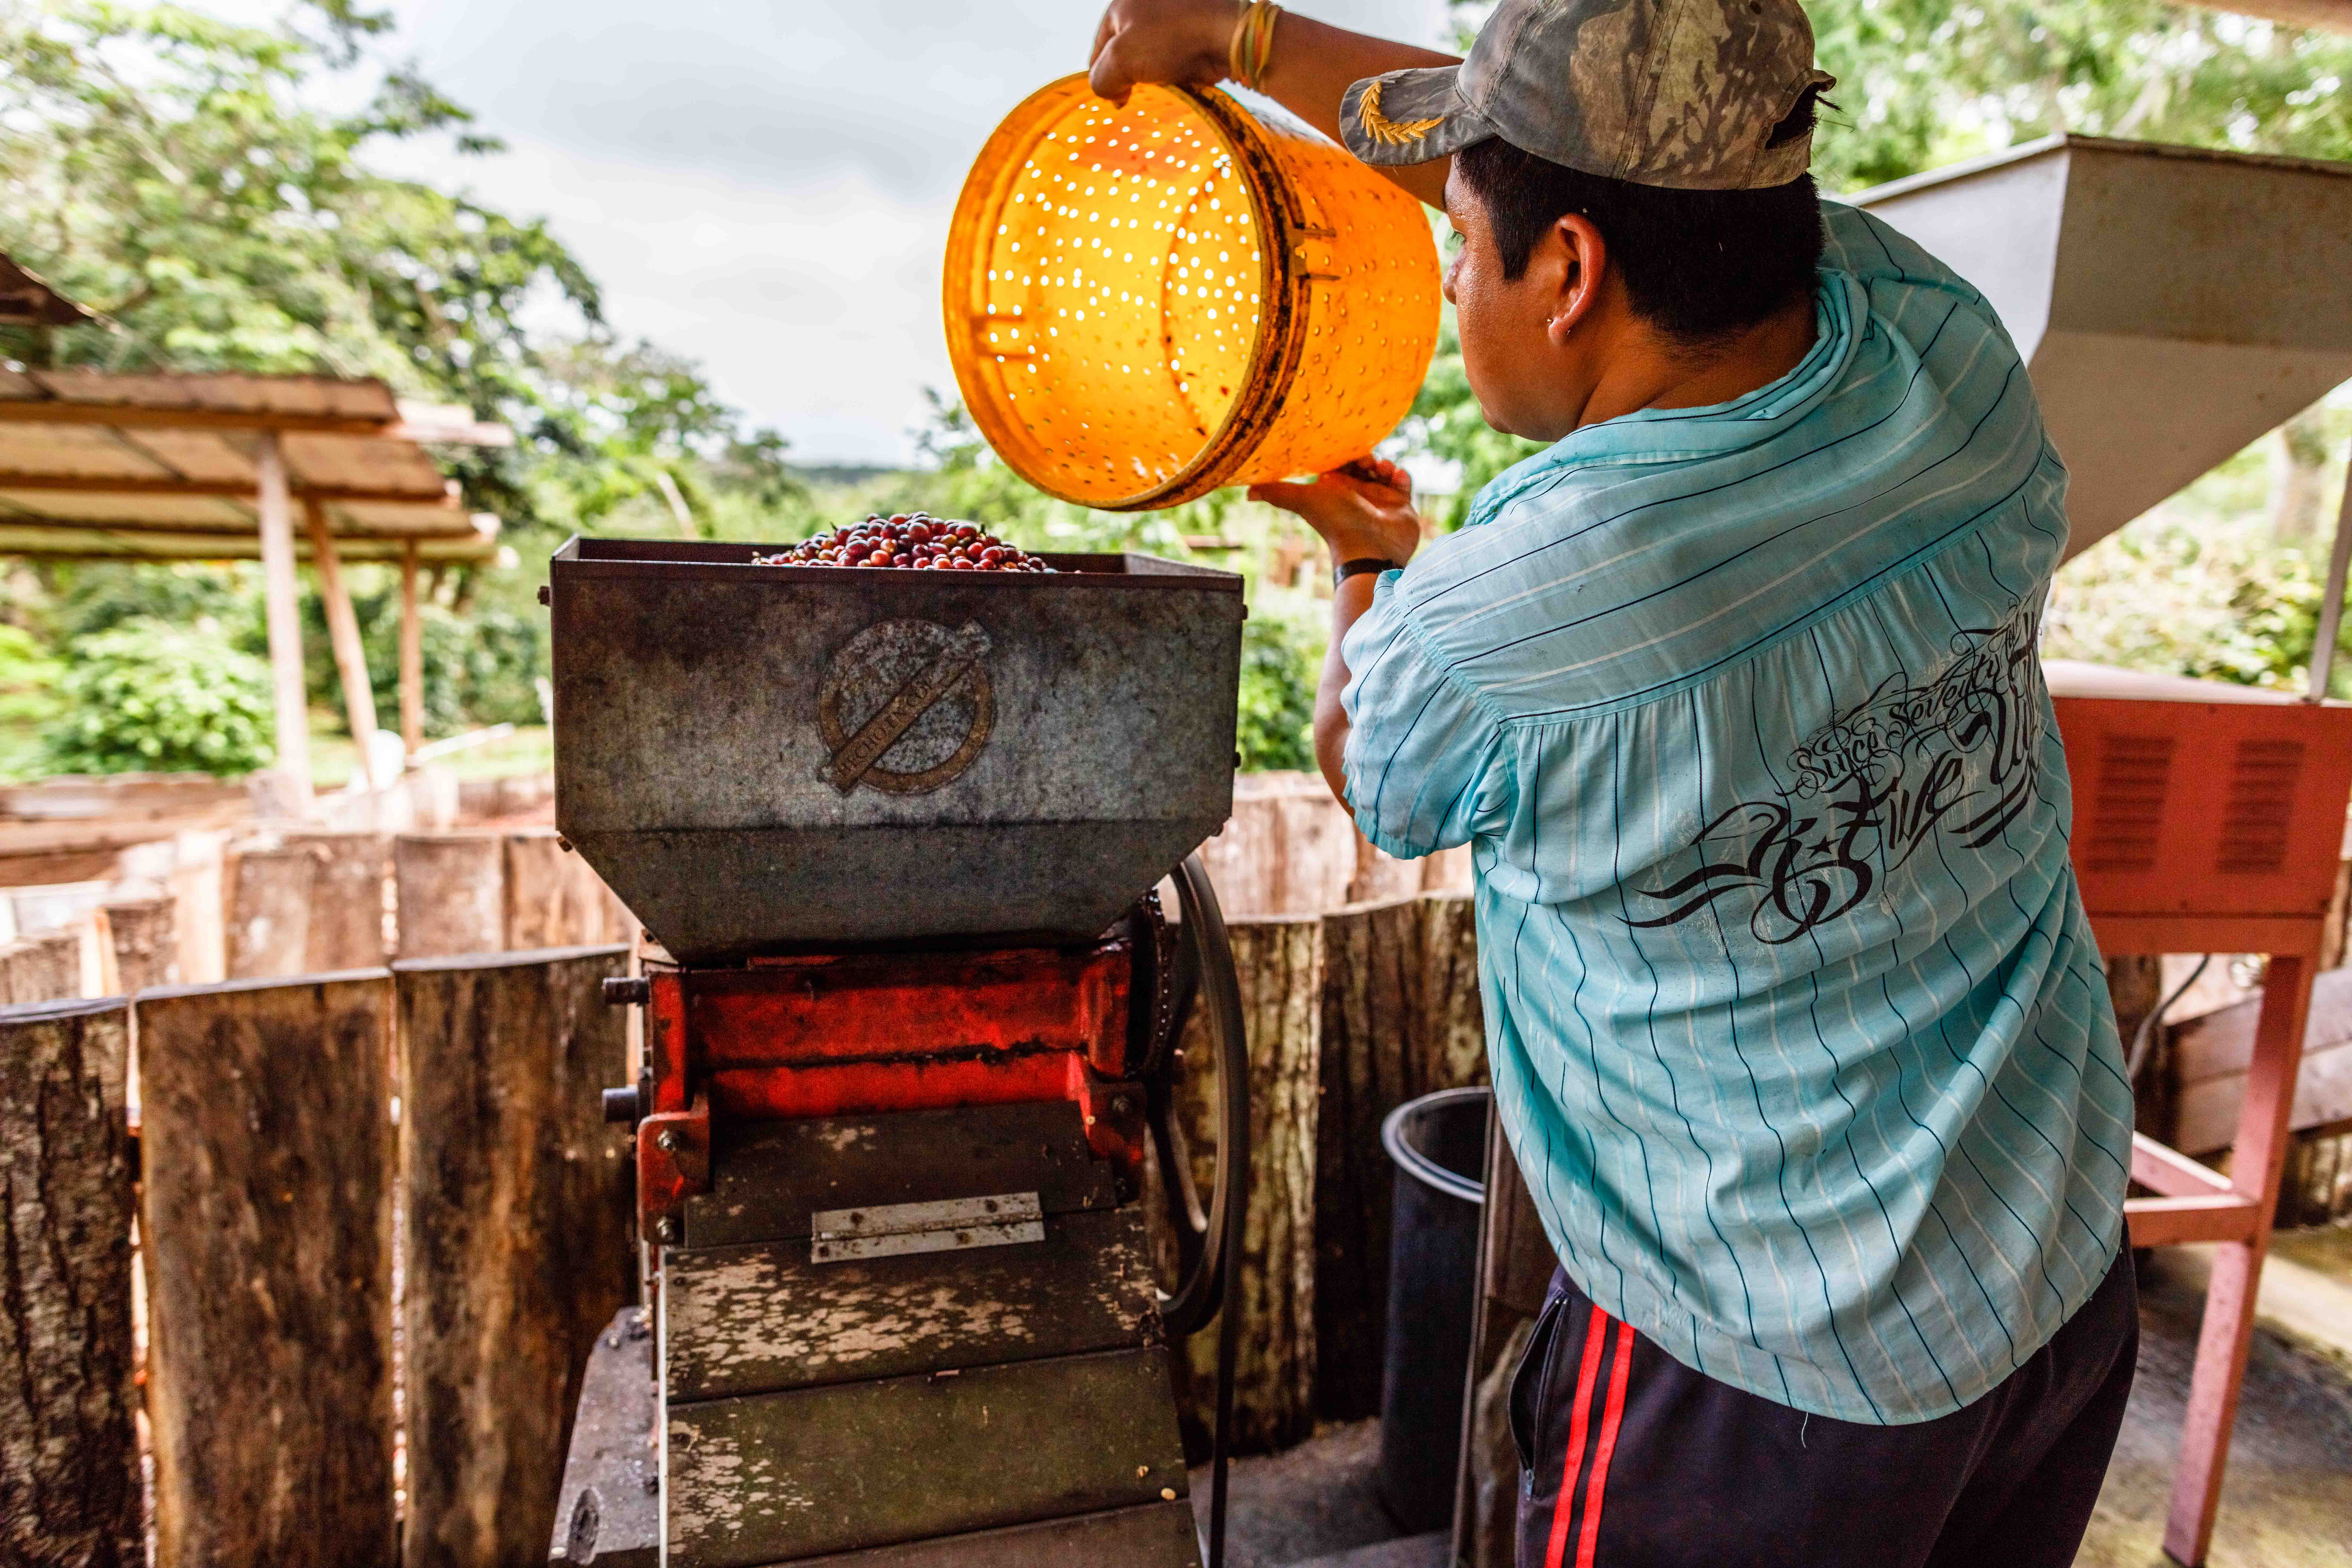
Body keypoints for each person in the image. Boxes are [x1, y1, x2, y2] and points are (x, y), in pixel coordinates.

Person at [1089, 2, 2139, 1564]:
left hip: (1766, 1386)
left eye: (1459, 241)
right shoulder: (1944, 343)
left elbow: (1375, 780)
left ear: (1572, 273)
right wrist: (1240, 31)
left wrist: (1374, 565)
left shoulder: (1500, 621)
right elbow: (1584, 168)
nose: (1447, 278)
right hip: (2051, 1263)